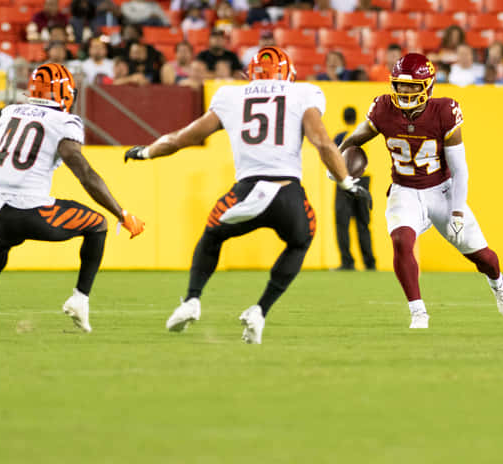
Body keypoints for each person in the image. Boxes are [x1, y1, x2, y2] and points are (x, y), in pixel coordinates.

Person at [123, 47, 370, 342]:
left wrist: (146, 152)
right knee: (301, 238)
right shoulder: (304, 93)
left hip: (246, 189)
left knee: (212, 236)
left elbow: (185, 137)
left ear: (251, 73)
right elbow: (323, 143)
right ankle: (260, 310)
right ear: (288, 74)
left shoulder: (230, 96)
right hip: (287, 191)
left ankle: (191, 300)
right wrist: (347, 183)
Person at [0, 63, 144, 332]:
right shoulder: (63, 121)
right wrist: (121, 213)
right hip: (34, 213)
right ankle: (80, 300)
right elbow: (85, 174)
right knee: (98, 224)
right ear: (65, 92)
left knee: (1, 243)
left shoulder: (11, 113)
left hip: (0, 213)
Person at [338, 53, 503, 328]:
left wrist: (457, 211)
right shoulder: (384, 108)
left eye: (411, 86)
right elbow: (356, 138)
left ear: (428, 86)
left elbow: (460, 170)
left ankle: (498, 283)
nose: (405, 91)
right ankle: (418, 311)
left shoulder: (443, 111)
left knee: (483, 257)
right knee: (401, 241)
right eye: (400, 85)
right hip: (404, 188)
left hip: (442, 191)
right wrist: (336, 162)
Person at [332, 107, 375, 271]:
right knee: (363, 222)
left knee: (342, 222)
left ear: (344, 118)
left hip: (345, 179)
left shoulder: (341, 136)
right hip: (364, 179)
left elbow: (334, 155)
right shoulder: (364, 132)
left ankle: (347, 262)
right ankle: (369, 261)